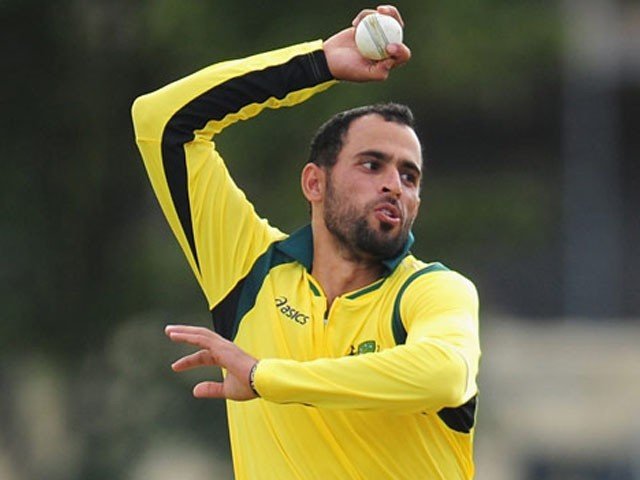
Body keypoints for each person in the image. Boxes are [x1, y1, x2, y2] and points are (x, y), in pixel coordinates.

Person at [132, 5, 480, 479]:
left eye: (409, 176)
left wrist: (263, 376)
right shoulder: (249, 268)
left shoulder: (431, 290)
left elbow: (444, 375)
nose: (395, 186)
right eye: (372, 164)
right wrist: (318, 64)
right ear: (314, 183)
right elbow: (160, 120)